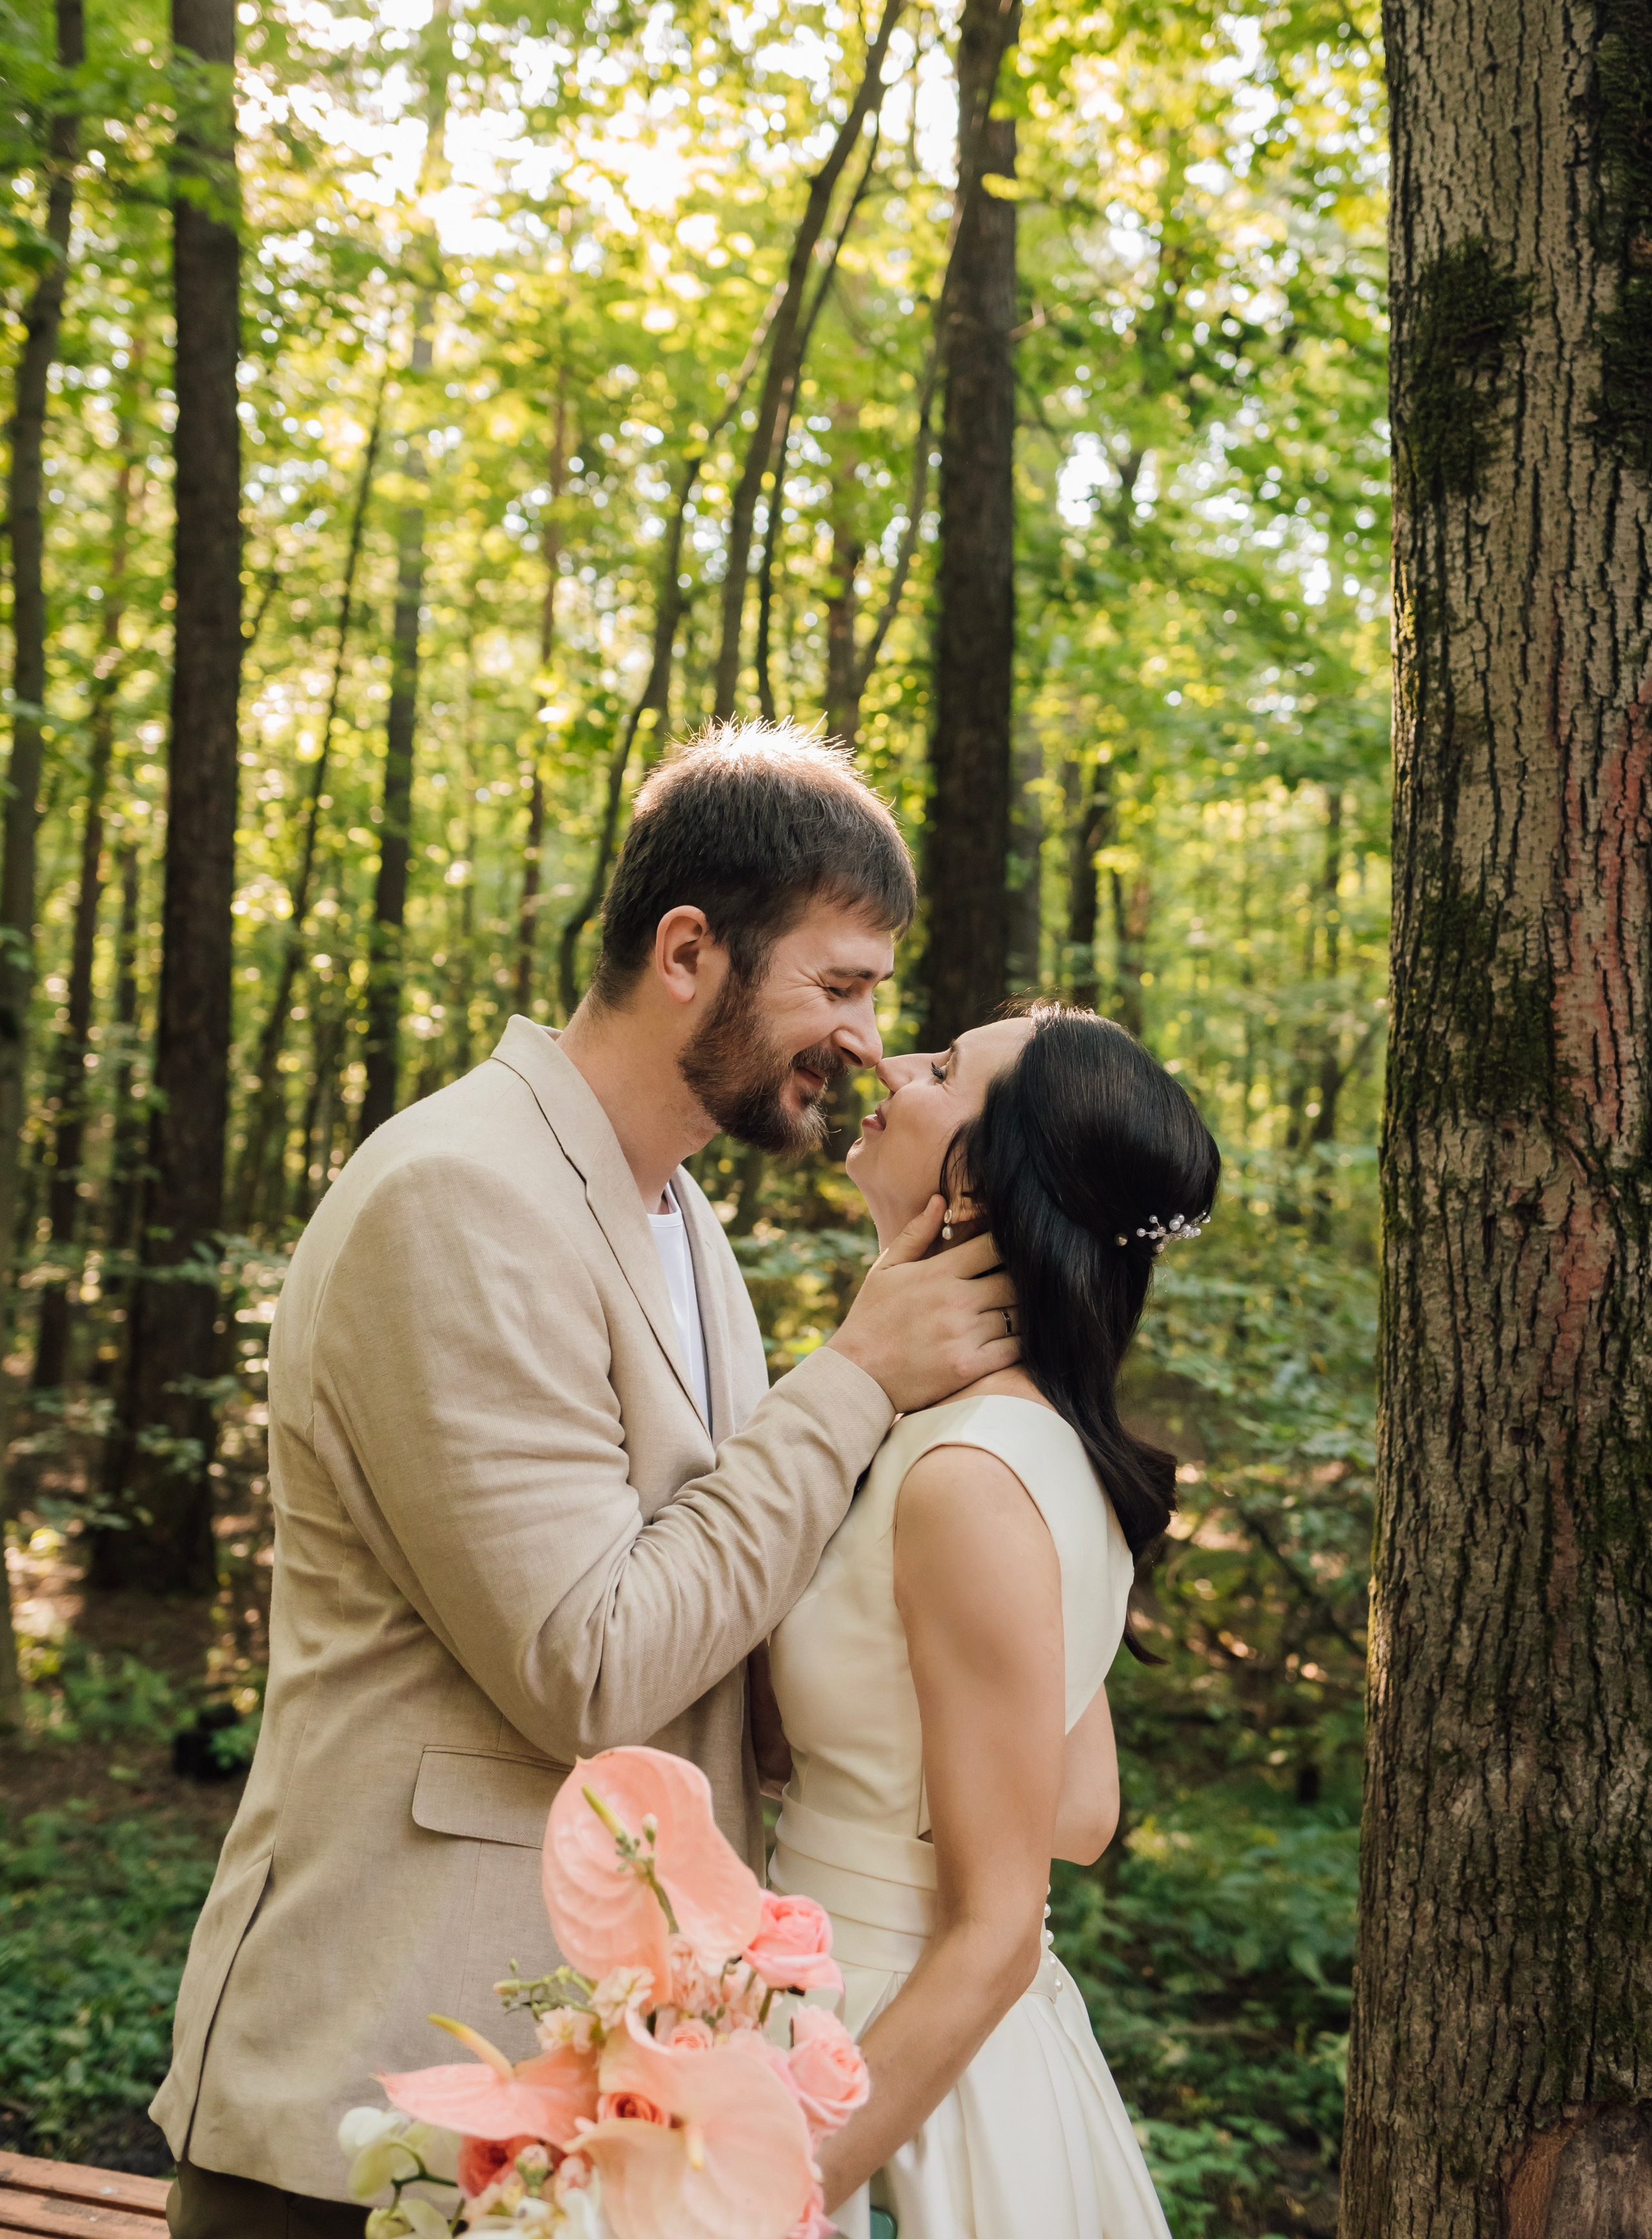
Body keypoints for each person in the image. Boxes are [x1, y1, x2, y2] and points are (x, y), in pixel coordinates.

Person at [153, 723, 1021, 2239]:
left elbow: (723, 1615)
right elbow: (592, 1663)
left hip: (592, 2122)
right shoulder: (457, 1197)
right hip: (377, 2098)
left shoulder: (685, 1224)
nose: (868, 1043)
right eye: (836, 985)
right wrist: (858, 1377)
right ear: (688, 951)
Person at [763, 1002, 1220, 2239]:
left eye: (944, 1069)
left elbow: (1001, 1928)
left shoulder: (968, 1478)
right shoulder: (1031, 1445)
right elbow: (1078, 1814)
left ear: (977, 1184)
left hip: (874, 2065)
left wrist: (765, 2192)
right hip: (878, 2018)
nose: (889, 1062)